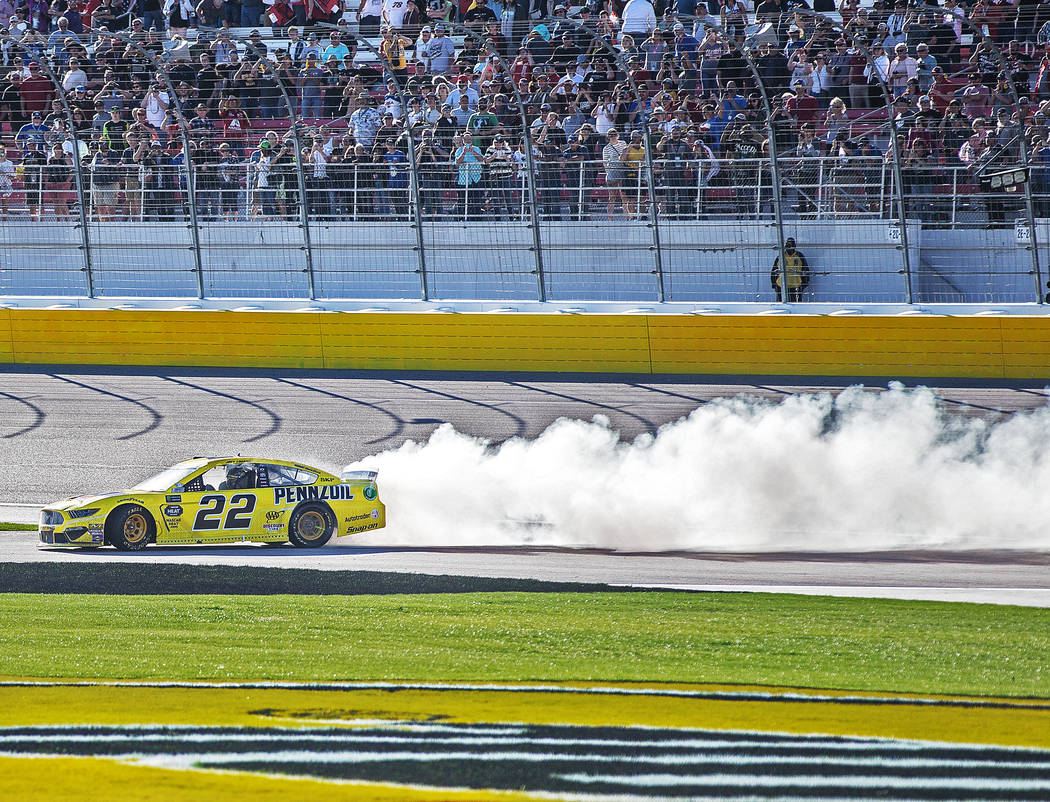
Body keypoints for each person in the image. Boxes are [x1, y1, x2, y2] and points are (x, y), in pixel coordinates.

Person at [770, 237, 810, 302]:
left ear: (794, 246)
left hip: (796, 286)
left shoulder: (799, 256)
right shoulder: (781, 256)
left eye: (791, 245)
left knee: (796, 306)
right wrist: (774, 285)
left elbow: (806, 270)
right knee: (781, 305)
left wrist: (803, 285)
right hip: (781, 286)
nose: (790, 247)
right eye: (788, 245)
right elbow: (774, 271)